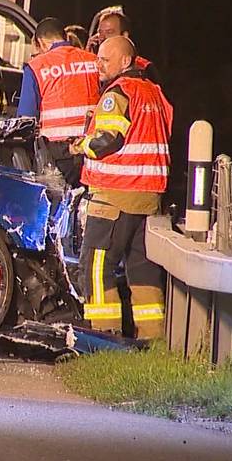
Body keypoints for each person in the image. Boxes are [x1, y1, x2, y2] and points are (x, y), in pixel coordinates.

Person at [69, 36, 172, 339]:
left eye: (104, 59)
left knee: (96, 263)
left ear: (125, 62)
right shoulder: (154, 92)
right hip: (149, 196)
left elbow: (107, 140)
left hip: (115, 194)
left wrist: (78, 147)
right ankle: (151, 336)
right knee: (142, 269)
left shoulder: (118, 93)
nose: (98, 64)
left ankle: (104, 334)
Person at [17, 17, 100, 187]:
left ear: (40, 41)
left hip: (57, 154)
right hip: (92, 150)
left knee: (57, 207)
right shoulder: (94, 61)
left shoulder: (37, 66)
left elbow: (25, 120)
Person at [86, 5, 162, 86]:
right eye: (100, 32)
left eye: (109, 32)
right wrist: (86, 57)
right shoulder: (92, 64)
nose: (102, 37)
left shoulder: (144, 67)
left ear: (124, 35)